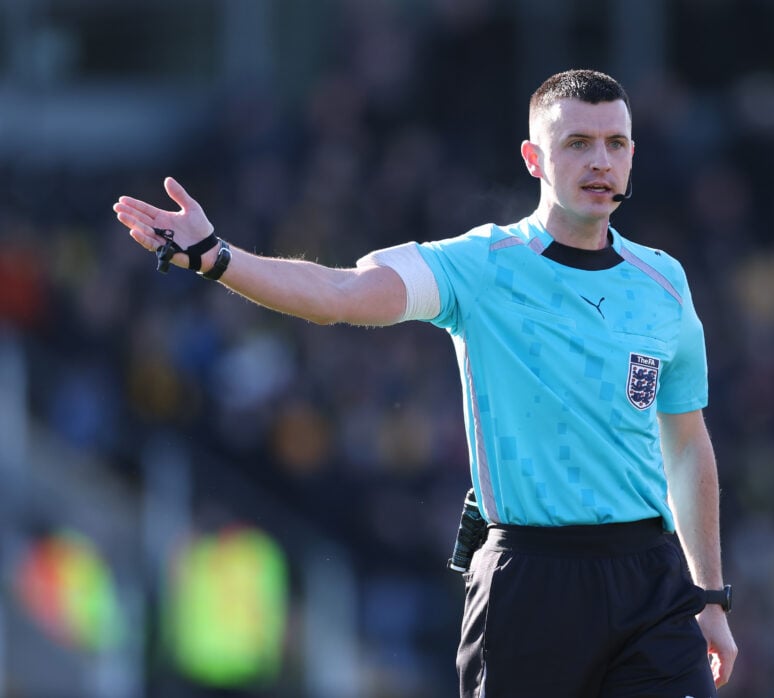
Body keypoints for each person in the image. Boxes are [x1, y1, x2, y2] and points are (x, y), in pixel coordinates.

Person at [114, 69, 737, 697]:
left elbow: (686, 443)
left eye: (615, 143)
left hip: (651, 582)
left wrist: (710, 596)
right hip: (532, 580)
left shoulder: (664, 283)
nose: (600, 160)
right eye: (578, 142)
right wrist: (217, 256)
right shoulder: (481, 264)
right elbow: (340, 293)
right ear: (534, 158)